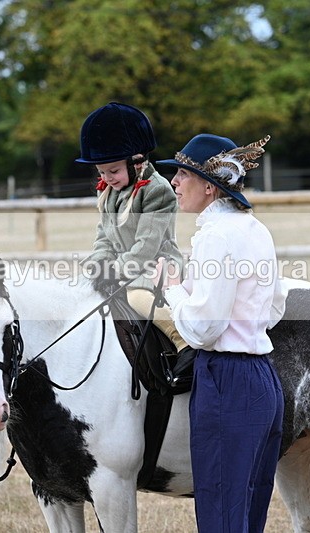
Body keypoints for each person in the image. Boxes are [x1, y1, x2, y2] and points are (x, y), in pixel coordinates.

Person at [155, 133, 286, 532]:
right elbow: (276, 307)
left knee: (222, 514)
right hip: (264, 381)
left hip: (227, 381)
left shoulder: (216, 236)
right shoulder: (254, 228)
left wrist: (174, 289)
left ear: (208, 186)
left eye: (182, 175)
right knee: (247, 512)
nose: (174, 182)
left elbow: (204, 329)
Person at [75, 102, 191, 358]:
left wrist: (114, 270)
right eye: (101, 172)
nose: (107, 178)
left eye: (113, 170)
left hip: (156, 266)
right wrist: (98, 264)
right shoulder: (110, 192)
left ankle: (184, 341)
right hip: (122, 267)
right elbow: (104, 237)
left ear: (136, 162)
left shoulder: (157, 190)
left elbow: (146, 247)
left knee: (137, 298)